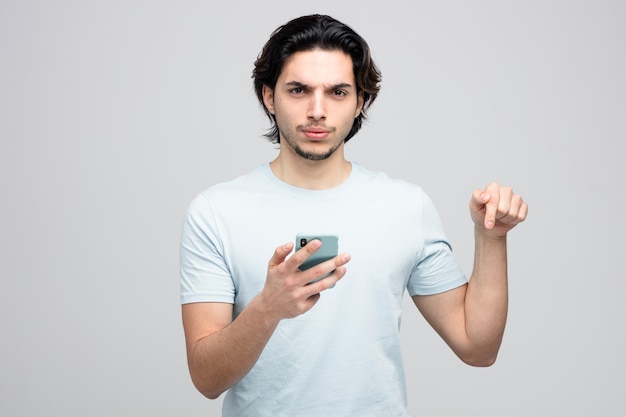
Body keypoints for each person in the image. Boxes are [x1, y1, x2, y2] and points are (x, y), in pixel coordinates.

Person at [179, 14, 528, 417]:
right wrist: (268, 307)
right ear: (269, 97)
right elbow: (206, 379)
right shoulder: (216, 211)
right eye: (298, 90)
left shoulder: (405, 206)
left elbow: (477, 347)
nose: (317, 110)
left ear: (360, 101)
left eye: (338, 92)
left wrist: (492, 238)